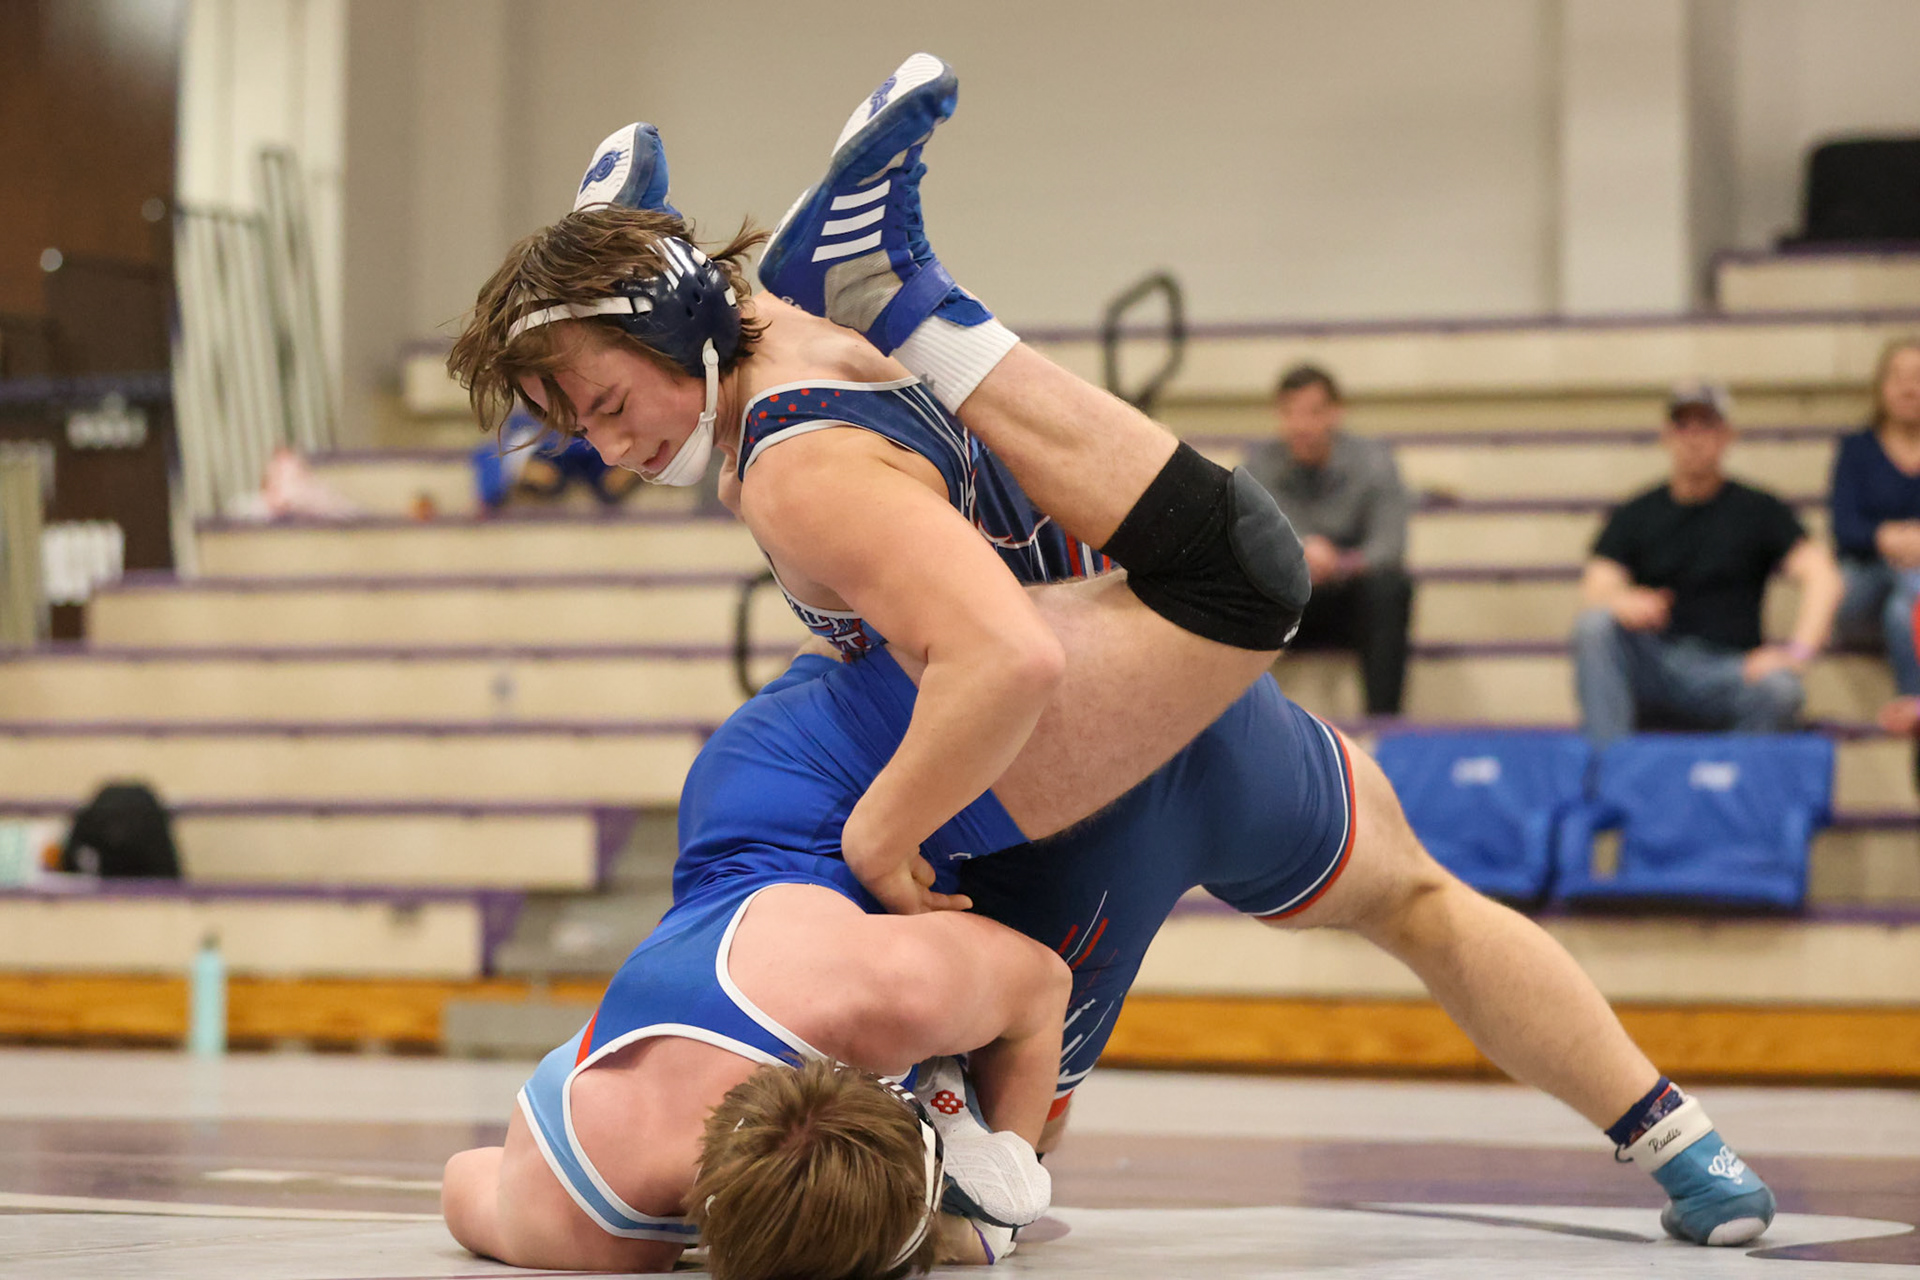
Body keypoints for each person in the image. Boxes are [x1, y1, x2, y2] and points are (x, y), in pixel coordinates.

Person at [442, 55, 1779, 1276]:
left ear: (678, 330)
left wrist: (882, 835)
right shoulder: (770, 324)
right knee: (1404, 877)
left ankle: (1677, 1141)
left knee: (979, 1220)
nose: (605, 447)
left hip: (1035, 760)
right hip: (1140, 701)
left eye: (606, 406)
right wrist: (622, 258)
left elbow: (1004, 661)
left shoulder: (795, 467)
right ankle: (1679, 1142)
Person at [1572, 382, 1843, 746]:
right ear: (1667, 436)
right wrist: (1622, 600)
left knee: (1781, 692)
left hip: (1731, 669)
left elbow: (1822, 576)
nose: (1694, 438)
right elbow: (1597, 584)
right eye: (1684, 426)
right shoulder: (1636, 514)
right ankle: (1610, 773)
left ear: (1727, 436)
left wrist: (1797, 653)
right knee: (1596, 626)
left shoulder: (1759, 510)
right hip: (1658, 663)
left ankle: (1729, 790)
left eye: (1707, 425)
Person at [1243, 363, 1415, 716]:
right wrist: (1299, 554)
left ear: (1336, 413)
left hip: (1351, 599)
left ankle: (1383, 725)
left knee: (1390, 588)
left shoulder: (1375, 463)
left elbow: (1389, 545)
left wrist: (1340, 563)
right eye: (1290, 412)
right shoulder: (1259, 467)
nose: (1302, 425)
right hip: (1288, 603)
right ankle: (1234, 726)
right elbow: (1248, 543)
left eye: (1313, 412)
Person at [1829, 337, 1920, 733]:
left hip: (1912, 591)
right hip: (1863, 581)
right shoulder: (1856, 449)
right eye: (1897, 377)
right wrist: (1887, 538)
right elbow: (1843, 528)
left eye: (1918, 377)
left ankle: (1913, 705)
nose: (1908, 387)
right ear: (1880, 387)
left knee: (1906, 604)